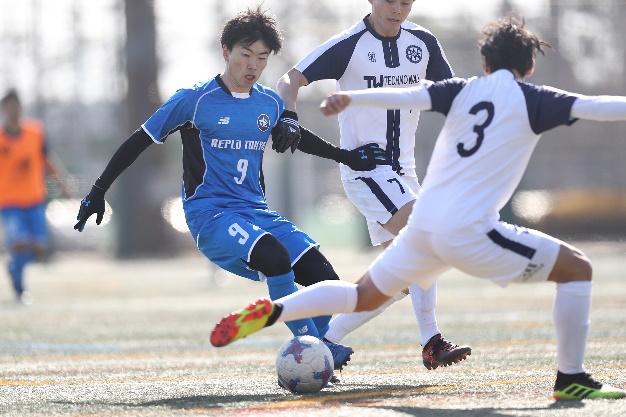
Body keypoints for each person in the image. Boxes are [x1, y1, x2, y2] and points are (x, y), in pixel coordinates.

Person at [210, 15, 626, 400]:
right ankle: (569, 378)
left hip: (425, 219)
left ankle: (279, 311)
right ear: (529, 67)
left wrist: (350, 99)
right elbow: (601, 107)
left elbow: (413, 93)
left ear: (483, 62)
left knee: (364, 293)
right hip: (459, 224)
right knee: (578, 269)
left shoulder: (458, 88)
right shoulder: (536, 99)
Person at [73, 7, 360, 376]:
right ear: (225, 51)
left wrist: (345, 156)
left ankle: (321, 357)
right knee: (274, 257)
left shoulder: (269, 103)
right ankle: (318, 350)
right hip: (211, 217)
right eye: (245, 54)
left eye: (262, 57)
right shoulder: (194, 99)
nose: (253, 65)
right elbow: (139, 140)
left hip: (257, 212)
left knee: (326, 281)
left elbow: (296, 137)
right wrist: (98, 190)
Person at [276, 0, 470, 370]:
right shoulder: (349, 44)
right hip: (367, 171)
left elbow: (453, 94)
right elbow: (290, 79)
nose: (397, 9)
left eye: (406, 2)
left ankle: (327, 340)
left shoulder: (423, 42)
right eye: (390, 1)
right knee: (425, 241)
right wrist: (288, 114)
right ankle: (431, 341)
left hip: (405, 174)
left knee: (403, 274)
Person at [0, 89, 70, 304]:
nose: (14, 110)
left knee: (39, 247)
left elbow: (47, 159)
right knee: (20, 243)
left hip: (34, 198)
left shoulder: (35, 132)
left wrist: (62, 182)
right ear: (4, 109)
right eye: (10, 106)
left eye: (17, 105)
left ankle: (14, 268)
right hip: (9, 201)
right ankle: (20, 289)